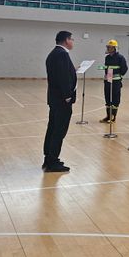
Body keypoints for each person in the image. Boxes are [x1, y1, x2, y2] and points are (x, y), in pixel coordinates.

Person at [43, 31, 77, 172]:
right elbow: (63, 78)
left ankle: (48, 158)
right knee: (59, 131)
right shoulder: (62, 54)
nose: (73, 42)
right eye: (72, 39)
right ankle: (53, 161)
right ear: (66, 40)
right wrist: (68, 96)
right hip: (62, 100)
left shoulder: (54, 53)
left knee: (52, 128)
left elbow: (61, 73)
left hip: (55, 99)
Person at [100, 39, 128, 123]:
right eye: (108, 47)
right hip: (108, 80)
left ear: (114, 48)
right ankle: (108, 116)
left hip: (116, 82)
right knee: (107, 97)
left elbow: (124, 69)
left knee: (115, 98)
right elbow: (106, 68)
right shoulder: (107, 57)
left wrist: (120, 76)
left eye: (110, 47)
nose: (108, 48)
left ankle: (113, 116)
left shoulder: (120, 57)